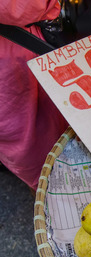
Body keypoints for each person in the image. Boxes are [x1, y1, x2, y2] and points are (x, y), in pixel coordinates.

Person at [0, 0, 69, 192]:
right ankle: (51, 195)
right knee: (37, 143)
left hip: (21, 49)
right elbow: (15, 7)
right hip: (13, 62)